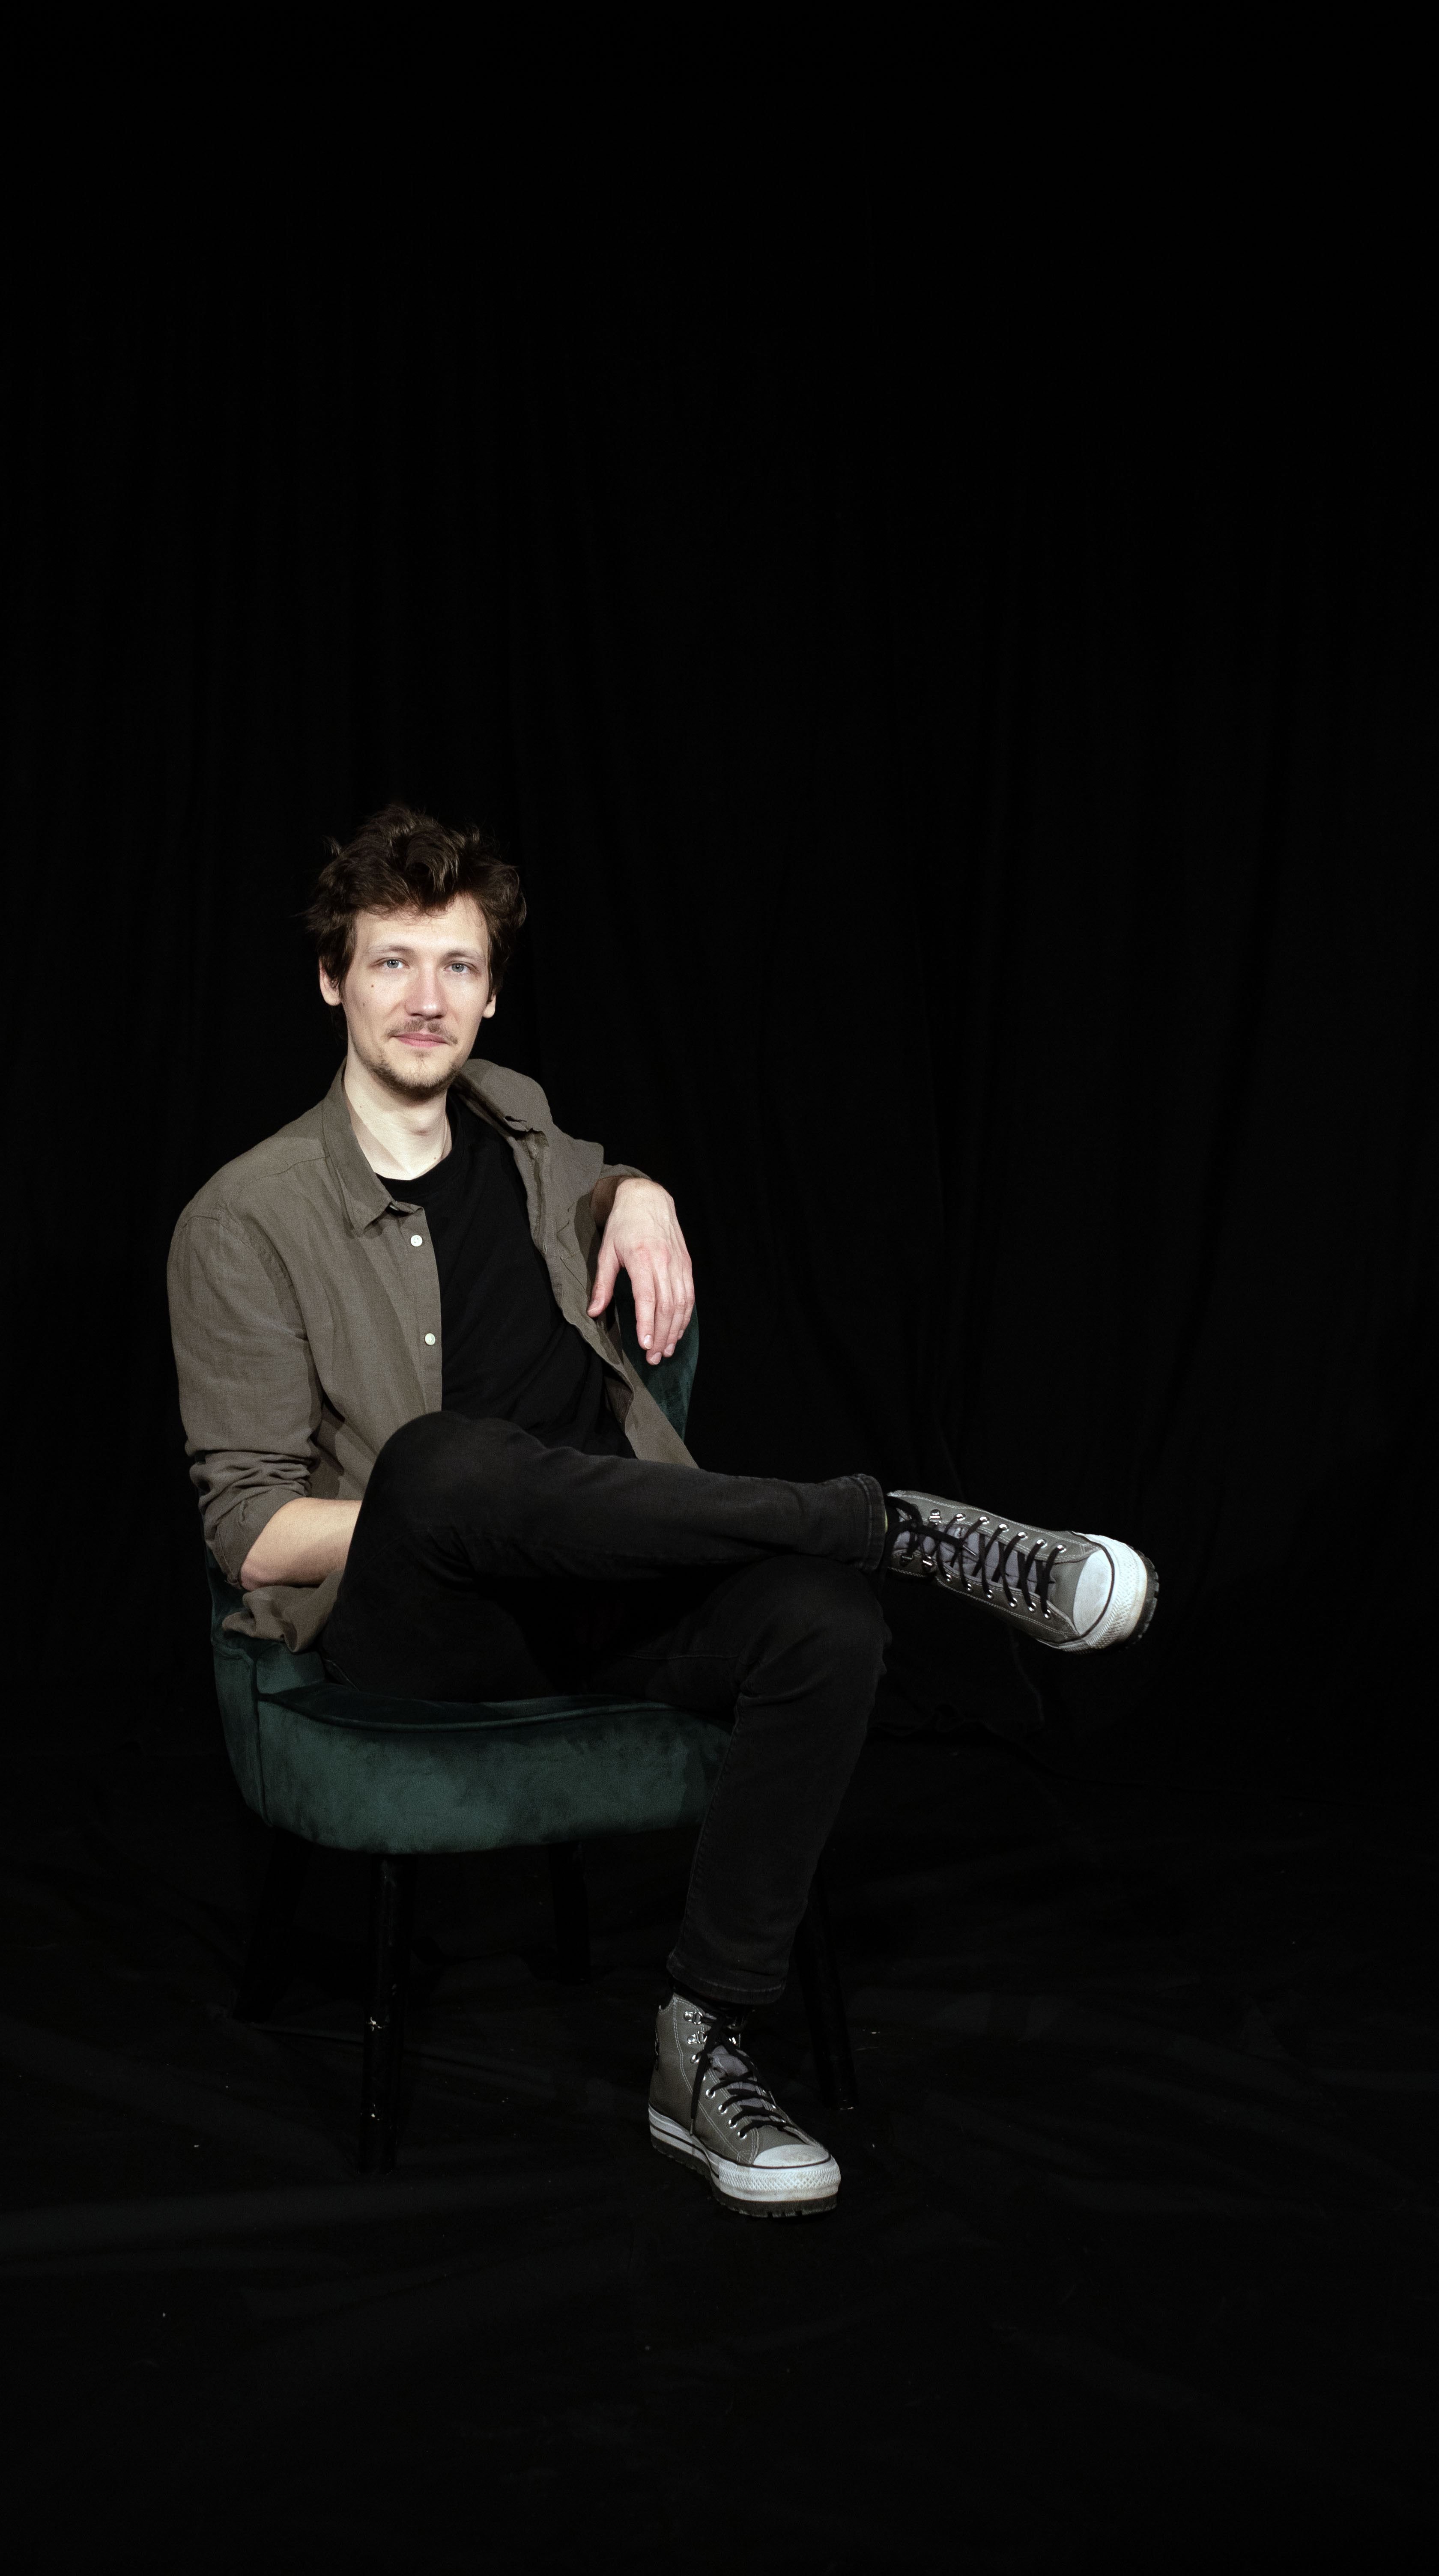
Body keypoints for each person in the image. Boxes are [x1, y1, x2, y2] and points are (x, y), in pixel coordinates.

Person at [167, 807, 1158, 2221]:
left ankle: (705, 2040)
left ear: (492, 991)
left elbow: (594, 1167)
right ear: (334, 981)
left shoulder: (525, 1125)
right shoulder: (244, 1219)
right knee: (448, 1465)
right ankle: (892, 1521)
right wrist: (414, 1514)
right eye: (392, 963)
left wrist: (642, 1189)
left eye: (458, 966)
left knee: (824, 1626)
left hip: (610, 1589)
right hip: (431, 1625)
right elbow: (251, 1533)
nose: (427, 999)